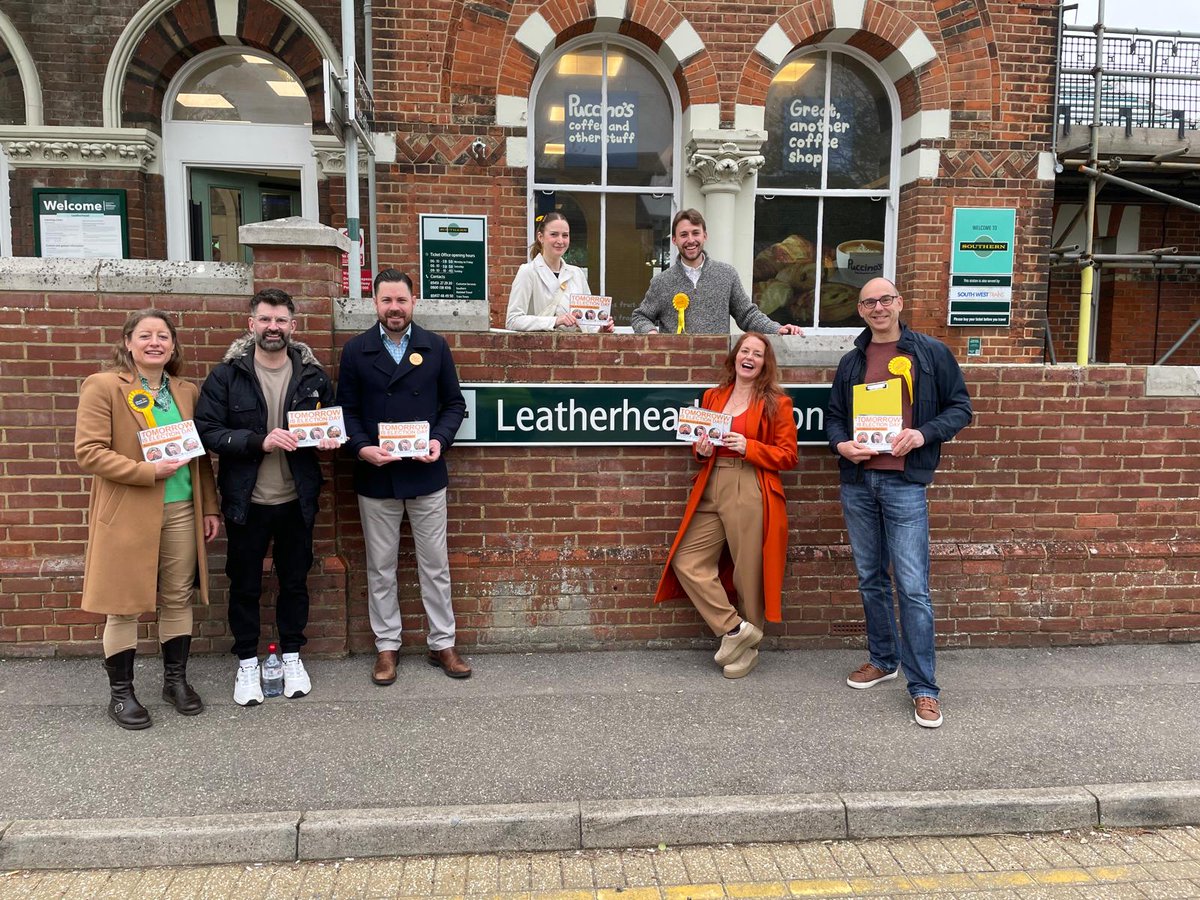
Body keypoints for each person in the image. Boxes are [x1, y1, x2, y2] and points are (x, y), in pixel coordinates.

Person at [826, 277, 972, 729]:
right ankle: (883, 659)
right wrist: (841, 446)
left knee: (912, 586)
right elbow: (834, 417)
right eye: (869, 302)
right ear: (860, 309)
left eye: (885, 299)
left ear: (899, 303)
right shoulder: (852, 361)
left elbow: (960, 408)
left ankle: (924, 688)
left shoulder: (930, 353)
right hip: (859, 482)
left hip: (905, 484)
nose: (877, 308)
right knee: (870, 578)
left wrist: (923, 433)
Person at [74, 309, 220, 730]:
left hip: (180, 509)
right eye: (145, 336)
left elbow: (199, 458)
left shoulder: (185, 391)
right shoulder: (103, 386)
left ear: (173, 346)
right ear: (128, 343)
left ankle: (175, 681)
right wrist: (145, 472)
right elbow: (90, 452)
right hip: (128, 512)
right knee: (124, 606)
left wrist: (208, 506)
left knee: (177, 598)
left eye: (163, 336)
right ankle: (121, 695)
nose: (154, 342)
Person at [195, 288, 336, 706]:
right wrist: (259, 440)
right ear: (251, 324)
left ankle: (292, 654)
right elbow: (208, 431)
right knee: (244, 585)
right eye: (265, 319)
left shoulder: (313, 376)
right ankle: (247, 662)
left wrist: (329, 440)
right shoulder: (227, 376)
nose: (273, 328)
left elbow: (329, 423)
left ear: (293, 327)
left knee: (295, 581)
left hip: (297, 500)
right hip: (247, 502)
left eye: (280, 321)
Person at [336, 269, 471, 684]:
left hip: (426, 474)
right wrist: (360, 448)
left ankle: (442, 644)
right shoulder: (356, 350)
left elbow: (454, 404)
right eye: (386, 300)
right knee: (380, 567)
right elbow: (347, 412)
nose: (394, 308)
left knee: (435, 565)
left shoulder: (435, 346)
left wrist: (440, 441)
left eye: (401, 300)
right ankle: (386, 647)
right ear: (374, 304)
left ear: (414, 303)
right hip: (377, 476)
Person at [653, 332, 799, 678]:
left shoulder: (776, 402)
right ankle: (735, 630)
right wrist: (701, 450)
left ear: (765, 363)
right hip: (712, 480)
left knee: (749, 572)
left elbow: (788, 456)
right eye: (744, 351)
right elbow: (702, 441)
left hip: (750, 483)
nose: (749, 357)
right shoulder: (713, 395)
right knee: (687, 560)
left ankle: (749, 653)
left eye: (757, 354)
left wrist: (749, 446)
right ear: (735, 357)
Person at [631, 209, 803, 336]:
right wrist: (651, 333)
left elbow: (747, 315)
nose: (690, 240)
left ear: (705, 236)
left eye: (695, 233)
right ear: (674, 240)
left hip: (717, 368)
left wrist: (777, 329)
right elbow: (640, 316)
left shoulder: (727, 274)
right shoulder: (662, 281)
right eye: (684, 235)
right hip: (676, 372)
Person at [505, 212, 613, 332]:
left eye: (565, 235)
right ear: (540, 237)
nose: (560, 240)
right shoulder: (528, 272)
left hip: (574, 349)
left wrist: (601, 328)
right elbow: (513, 320)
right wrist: (555, 321)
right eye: (554, 234)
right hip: (541, 348)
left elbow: (588, 323)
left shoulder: (577, 274)